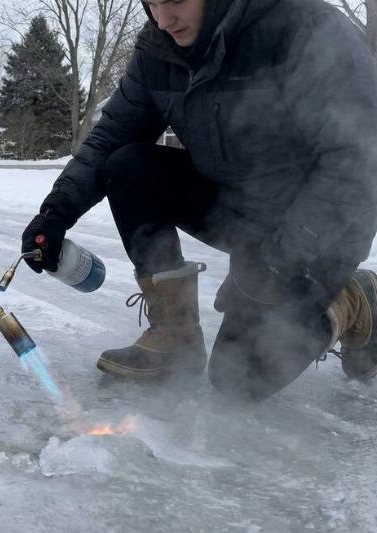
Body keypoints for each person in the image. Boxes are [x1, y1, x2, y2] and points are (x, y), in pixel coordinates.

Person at [21, 0, 377, 401]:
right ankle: (176, 335)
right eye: (152, 2)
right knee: (127, 166)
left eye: (175, 0)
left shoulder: (305, 28)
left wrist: (282, 258)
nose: (162, 19)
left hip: (325, 229)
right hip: (243, 210)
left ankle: (354, 297)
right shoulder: (159, 48)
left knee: (239, 379)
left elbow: (359, 159)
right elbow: (110, 138)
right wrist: (55, 214)